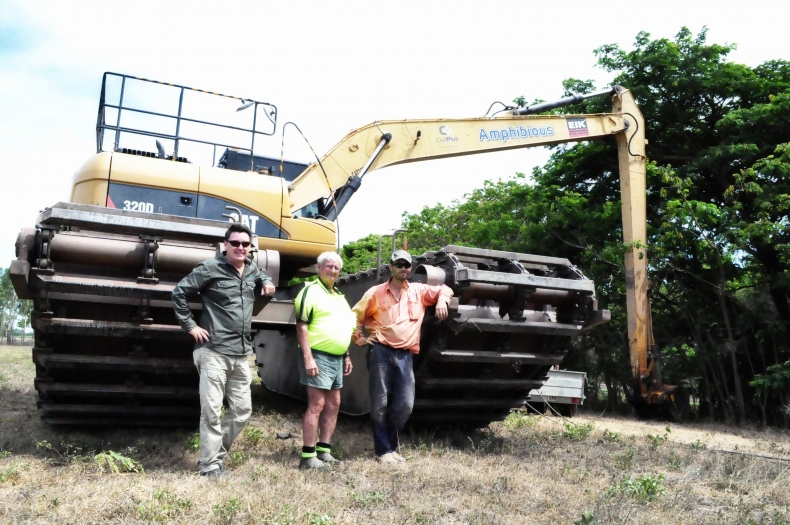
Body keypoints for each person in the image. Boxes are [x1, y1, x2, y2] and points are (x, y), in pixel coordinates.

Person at [172, 222, 275, 477]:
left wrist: (267, 280)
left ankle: (216, 456)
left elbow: (260, 274)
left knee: (242, 411)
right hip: (213, 351)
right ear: (225, 244)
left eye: (245, 244)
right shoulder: (210, 268)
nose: (240, 247)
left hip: (241, 353)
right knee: (212, 412)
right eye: (235, 243)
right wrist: (191, 326)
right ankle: (208, 466)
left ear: (251, 248)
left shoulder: (251, 268)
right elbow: (179, 293)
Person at [352, 250, 453, 464]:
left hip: (405, 355)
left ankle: (392, 447)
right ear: (391, 267)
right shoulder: (375, 292)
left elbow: (445, 288)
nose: (403, 269)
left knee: (405, 404)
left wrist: (443, 301)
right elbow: (356, 315)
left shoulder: (419, 291)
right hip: (381, 351)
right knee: (380, 402)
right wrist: (359, 339)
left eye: (407, 265)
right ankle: (383, 451)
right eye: (399, 264)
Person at [294, 252, 356, 469]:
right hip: (318, 355)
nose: (333, 270)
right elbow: (301, 325)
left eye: (336, 268)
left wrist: (346, 354)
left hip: (337, 357)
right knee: (317, 404)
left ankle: (324, 450)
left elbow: (344, 327)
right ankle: (308, 456)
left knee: (333, 404)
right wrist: (308, 358)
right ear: (319, 268)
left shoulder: (338, 295)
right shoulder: (310, 291)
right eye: (328, 266)